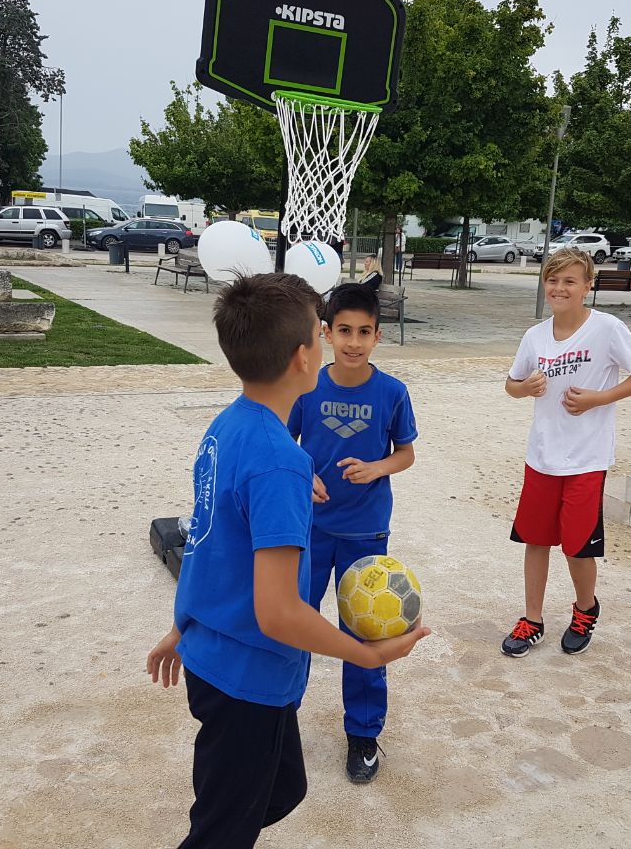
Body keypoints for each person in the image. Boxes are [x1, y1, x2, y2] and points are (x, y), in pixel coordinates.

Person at [146, 273, 429, 849]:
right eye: (325, 336)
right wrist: (366, 651)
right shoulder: (280, 462)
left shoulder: (229, 425)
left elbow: (209, 542)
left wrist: (182, 626)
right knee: (221, 831)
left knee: (282, 789)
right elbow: (277, 613)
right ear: (305, 356)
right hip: (245, 674)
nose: (336, 346)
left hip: (215, 657)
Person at [287, 283, 417, 784]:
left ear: (378, 336)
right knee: (295, 624)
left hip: (366, 533)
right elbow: (284, 439)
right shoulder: (307, 386)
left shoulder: (392, 393)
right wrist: (306, 473)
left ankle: (363, 732)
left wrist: (378, 467)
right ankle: (280, 714)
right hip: (310, 528)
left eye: (365, 332)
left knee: (364, 630)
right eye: (345, 331)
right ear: (327, 332)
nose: (354, 342)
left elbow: (405, 454)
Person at [500, 247, 631, 658]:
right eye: (553, 280)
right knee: (536, 541)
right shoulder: (534, 336)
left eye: (570, 281)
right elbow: (511, 384)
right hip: (542, 457)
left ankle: (585, 609)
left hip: (586, 459)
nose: (559, 287)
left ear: (588, 286)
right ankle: (532, 618)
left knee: (577, 545)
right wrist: (526, 388)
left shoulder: (607, 329)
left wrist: (600, 397)